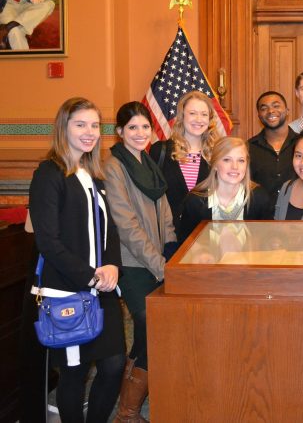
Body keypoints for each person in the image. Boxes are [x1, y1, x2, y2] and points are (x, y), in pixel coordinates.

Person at [28, 97, 125, 422]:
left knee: (113, 365)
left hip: (102, 289)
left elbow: (109, 229)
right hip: (69, 290)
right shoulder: (49, 174)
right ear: (63, 127)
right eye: (80, 124)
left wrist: (112, 266)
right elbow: (48, 242)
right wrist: (89, 276)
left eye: (95, 125)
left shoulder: (93, 174)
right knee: (75, 373)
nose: (89, 132)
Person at [104, 101, 177, 422]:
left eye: (145, 127)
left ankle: (126, 407)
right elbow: (126, 224)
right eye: (132, 127)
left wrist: (170, 255)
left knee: (154, 330)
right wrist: (159, 265)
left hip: (158, 259)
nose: (139, 133)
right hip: (132, 263)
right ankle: (127, 412)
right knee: (149, 322)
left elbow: (165, 213)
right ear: (120, 131)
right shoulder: (114, 166)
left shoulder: (148, 161)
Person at [149, 91, 223, 232]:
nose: (198, 119)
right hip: (169, 235)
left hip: (206, 235)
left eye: (204, 114)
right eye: (192, 113)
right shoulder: (160, 151)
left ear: (210, 119)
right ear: (182, 116)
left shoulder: (217, 154)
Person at [178, 136, 272, 242]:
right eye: (227, 160)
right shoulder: (195, 201)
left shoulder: (259, 198)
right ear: (215, 165)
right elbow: (185, 245)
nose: (235, 167)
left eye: (241, 160)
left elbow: (266, 243)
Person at [248, 91, 297, 205]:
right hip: (261, 217)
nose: (270, 111)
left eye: (276, 106)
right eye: (264, 108)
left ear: (287, 111)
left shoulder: (302, 144)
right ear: (259, 115)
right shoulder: (248, 148)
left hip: (296, 216)